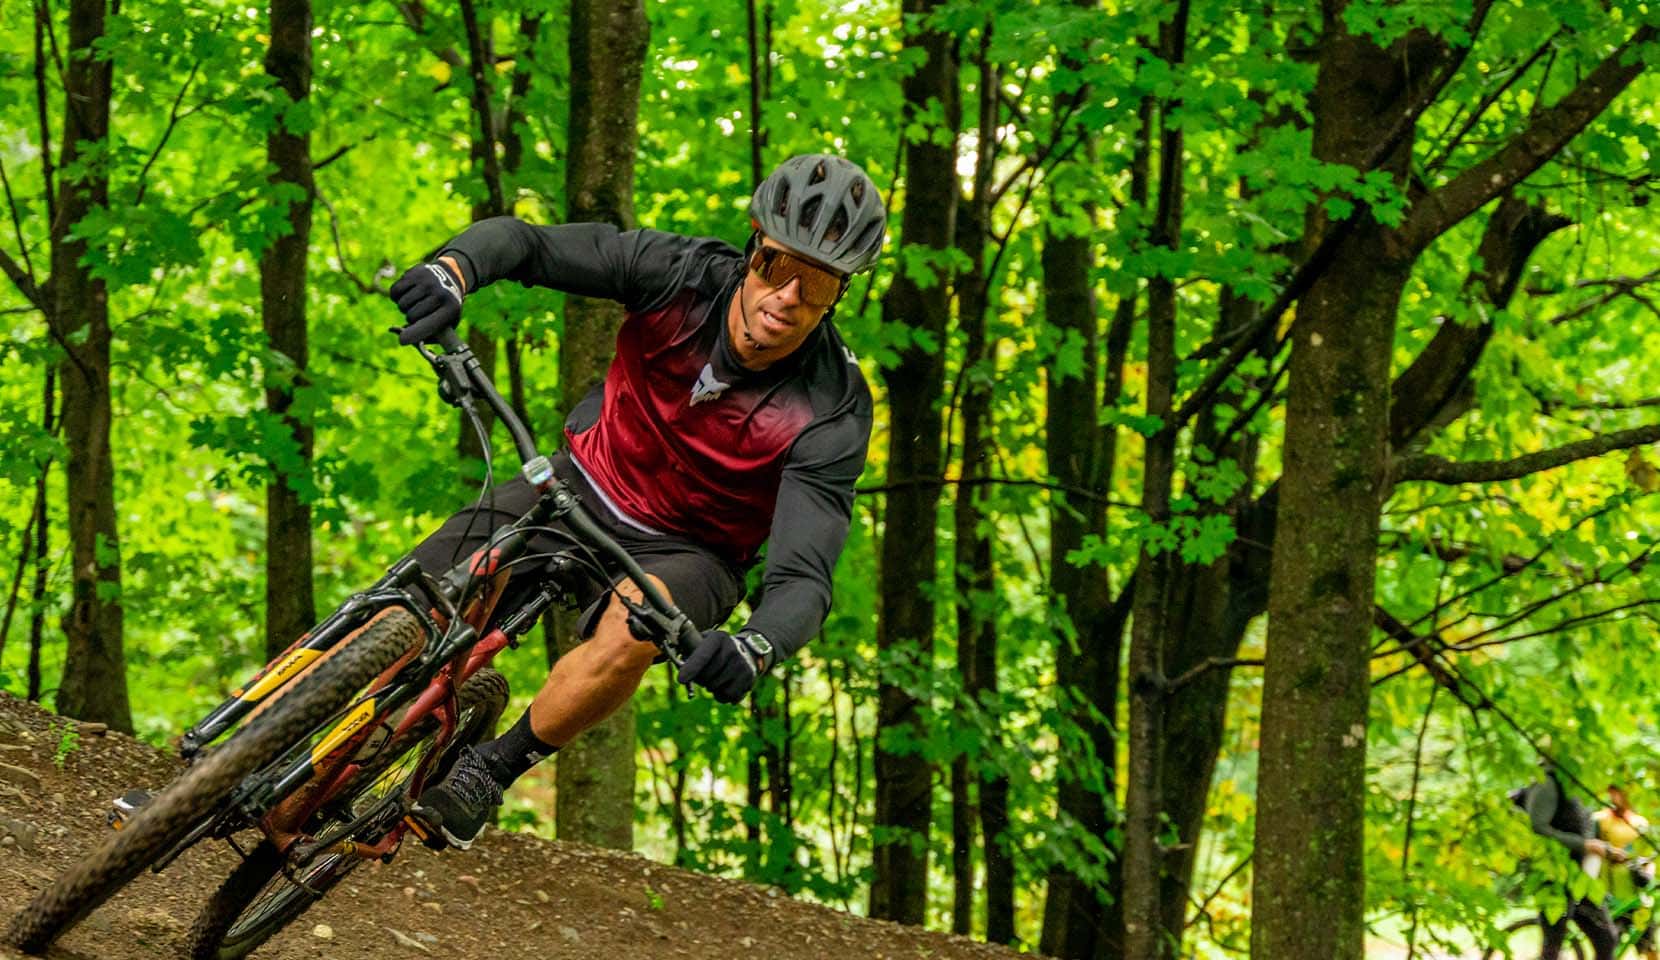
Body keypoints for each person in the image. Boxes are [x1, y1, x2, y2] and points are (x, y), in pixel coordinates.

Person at [385, 154, 886, 849]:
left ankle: (492, 769)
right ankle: (284, 711)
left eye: (820, 281)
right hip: (580, 482)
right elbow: (528, 245)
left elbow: (803, 575)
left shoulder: (832, 407)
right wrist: (451, 272)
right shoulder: (677, 273)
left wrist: (757, 646)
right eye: (777, 265)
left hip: (693, 550)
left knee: (638, 622)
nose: (789, 295)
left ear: (840, 295)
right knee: (413, 601)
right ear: (752, 249)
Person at [1514, 767, 1623, 960]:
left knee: (1606, 939)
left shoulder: (1574, 784)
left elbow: (1583, 829)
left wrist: (1603, 849)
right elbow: (1537, 827)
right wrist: (1583, 844)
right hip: (1553, 878)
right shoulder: (1548, 782)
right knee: (1553, 945)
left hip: (1581, 878)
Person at [1593, 784, 1657, 960]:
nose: (1617, 797)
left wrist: (1647, 874)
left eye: (1620, 792)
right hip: (1609, 896)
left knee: (1648, 946)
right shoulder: (1599, 820)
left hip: (1636, 898)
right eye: (1613, 793)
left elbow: (1649, 858)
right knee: (1609, 948)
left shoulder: (1639, 823)